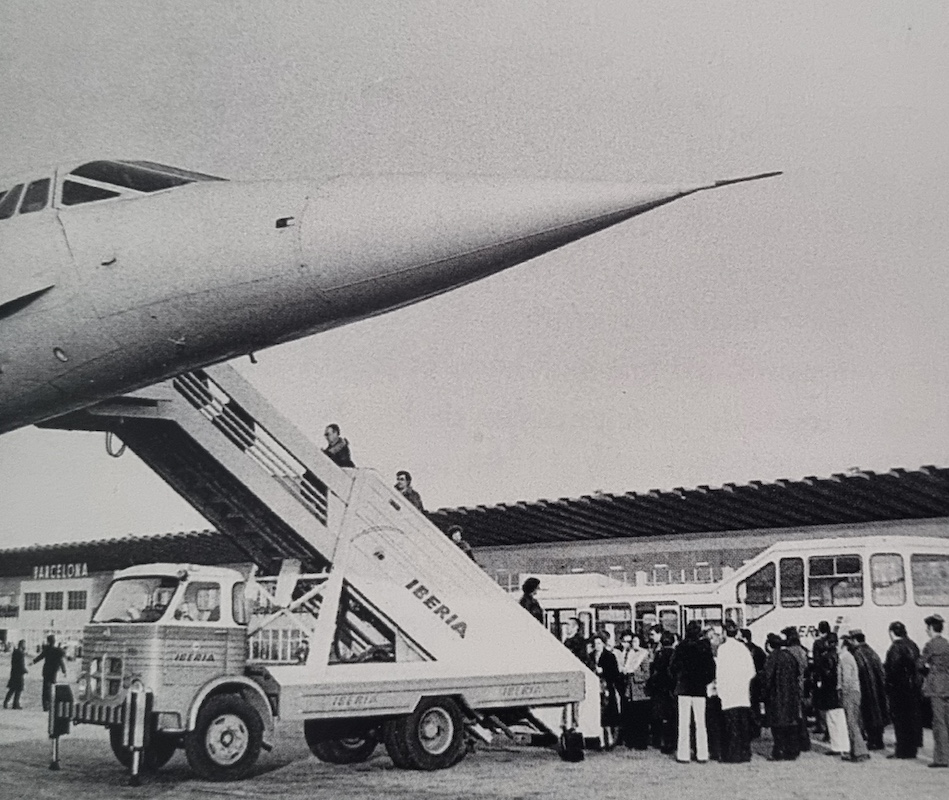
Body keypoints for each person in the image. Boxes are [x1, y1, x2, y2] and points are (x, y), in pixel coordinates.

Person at [670, 620, 715, 763]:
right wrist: (704, 681)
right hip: (699, 689)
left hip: (683, 688)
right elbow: (711, 669)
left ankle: (683, 754)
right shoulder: (704, 647)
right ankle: (702, 753)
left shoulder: (680, 647)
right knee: (700, 722)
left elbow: (672, 668)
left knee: (683, 723)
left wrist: (678, 680)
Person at [716, 619, 755, 763]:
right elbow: (751, 671)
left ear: (725, 632)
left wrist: (720, 690)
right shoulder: (743, 648)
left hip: (728, 693)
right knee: (743, 725)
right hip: (742, 693)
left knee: (730, 726)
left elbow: (720, 672)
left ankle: (732, 754)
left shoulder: (723, 649)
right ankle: (745, 753)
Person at [884, 621, 922, 760]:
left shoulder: (895, 648)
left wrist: (888, 686)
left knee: (900, 721)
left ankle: (902, 751)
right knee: (911, 720)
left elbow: (892, 669)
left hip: (899, 690)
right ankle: (912, 750)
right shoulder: (913, 645)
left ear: (892, 632)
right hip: (913, 689)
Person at [763, 632, 802, 761]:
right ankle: (792, 751)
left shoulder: (771, 658)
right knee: (790, 725)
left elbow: (767, 678)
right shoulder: (789, 656)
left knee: (778, 726)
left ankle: (779, 751)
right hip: (791, 696)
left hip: (776, 696)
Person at [849, 629, 889, 750]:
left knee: (868, 715)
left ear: (854, 640)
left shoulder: (857, 653)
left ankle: (872, 741)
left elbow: (858, 672)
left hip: (866, 689)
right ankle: (879, 740)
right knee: (877, 714)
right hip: (877, 689)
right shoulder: (871, 651)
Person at [919, 613, 949, 768]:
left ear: (931, 628)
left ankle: (942, 758)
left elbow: (920, 664)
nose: (926, 631)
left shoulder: (930, 645)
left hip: (936, 687)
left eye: (927, 628)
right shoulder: (947, 643)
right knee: (947, 721)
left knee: (938, 723)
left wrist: (928, 673)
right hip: (947, 686)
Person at [813, 632, 849, 756]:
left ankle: (836, 747)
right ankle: (844, 745)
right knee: (841, 720)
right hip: (839, 693)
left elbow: (825, 676)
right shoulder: (841, 656)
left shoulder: (826, 657)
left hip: (829, 694)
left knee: (832, 720)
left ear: (827, 643)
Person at [839, 633, 870, 762]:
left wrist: (843, 692)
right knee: (854, 722)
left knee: (851, 722)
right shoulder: (849, 657)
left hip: (850, 693)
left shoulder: (844, 658)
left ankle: (859, 752)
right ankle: (856, 750)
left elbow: (846, 678)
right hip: (855, 692)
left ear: (844, 645)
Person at [646, 630, 678, 754]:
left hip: (660, 689)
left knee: (661, 716)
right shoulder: (675, 653)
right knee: (672, 717)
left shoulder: (659, 654)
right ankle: (672, 742)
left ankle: (660, 741)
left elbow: (654, 671)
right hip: (672, 689)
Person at [619, 633, 652, 750]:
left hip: (641, 690)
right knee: (632, 716)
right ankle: (632, 741)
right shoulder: (630, 654)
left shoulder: (644, 655)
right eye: (633, 642)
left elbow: (647, 674)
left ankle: (641, 742)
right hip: (630, 689)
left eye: (636, 642)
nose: (634, 644)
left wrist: (634, 674)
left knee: (641, 717)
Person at [589, 633, 622, 749]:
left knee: (607, 715)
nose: (597, 646)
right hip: (594, 689)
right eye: (595, 644)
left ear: (603, 644)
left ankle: (610, 738)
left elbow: (615, 673)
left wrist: (603, 671)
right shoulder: (590, 656)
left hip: (607, 688)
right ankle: (601, 740)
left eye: (599, 643)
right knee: (598, 715)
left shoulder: (610, 656)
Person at [781, 626, 811, 752]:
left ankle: (799, 741)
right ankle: (804, 741)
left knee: (795, 714)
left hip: (793, 686)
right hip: (803, 685)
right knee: (801, 713)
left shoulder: (789, 651)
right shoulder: (803, 650)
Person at [740, 628, 766, 739]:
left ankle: (747, 729)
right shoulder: (758, 649)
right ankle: (756, 728)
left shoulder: (742, 649)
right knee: (755, 706)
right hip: (756, 682)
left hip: (745, 682)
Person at [32, 634, 66, 712]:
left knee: (45, 689)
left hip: (46, 671)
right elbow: (61, 661)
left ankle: (45, 705)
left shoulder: (47, 649)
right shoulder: (58, 651)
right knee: (52, 687)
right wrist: (64, 670)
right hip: (53, 671)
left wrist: (33, 662)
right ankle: (51, 704)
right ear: (54, 641)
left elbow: (40, 656)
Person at [3, 640, 27, 709]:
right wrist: (25, 670)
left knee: (12, 689)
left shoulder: (15, 652)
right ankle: (15, 704)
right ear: (22, 645)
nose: (25, 646)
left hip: (14, 673)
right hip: (19, 674)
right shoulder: (21, 653)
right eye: (24, 644)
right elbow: (21, 664)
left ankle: (6, 702)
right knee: (19, 689)